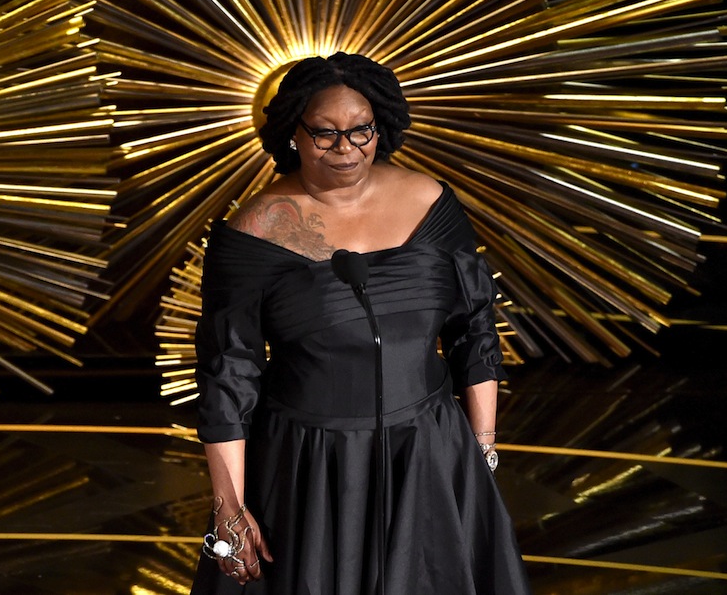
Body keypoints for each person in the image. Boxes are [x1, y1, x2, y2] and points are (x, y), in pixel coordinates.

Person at [191, 52, 531, 594]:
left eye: (361, 131)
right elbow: (227, 378)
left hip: (430, 452)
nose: (346, 148)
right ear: (292, 135)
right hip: (311, 467)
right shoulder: (251, 233)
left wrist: (479, 449)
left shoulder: (432, 203)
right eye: (325, 134)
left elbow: (474, 330)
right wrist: (228, 507)